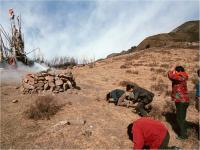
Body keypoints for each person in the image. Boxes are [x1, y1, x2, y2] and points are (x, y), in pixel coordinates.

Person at [168, 65, 189, 140]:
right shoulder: (183, 76)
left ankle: (183, 136)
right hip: (183, 100)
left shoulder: (181, 76)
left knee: (180, 118)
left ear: (178, 71)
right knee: (182, 118)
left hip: (181, 100)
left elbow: (171, 76)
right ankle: (184, 131)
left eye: (175, 71)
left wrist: (170, 71)